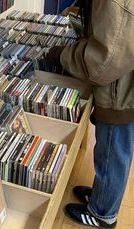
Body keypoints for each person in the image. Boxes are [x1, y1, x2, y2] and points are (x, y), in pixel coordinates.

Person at [44, 0, 134, 228]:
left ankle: (103, 213)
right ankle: (102, 196)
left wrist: (61, 55)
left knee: (113, 152)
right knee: (111, 150)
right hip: (122, 88)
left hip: (121, 95)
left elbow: (103, 62)